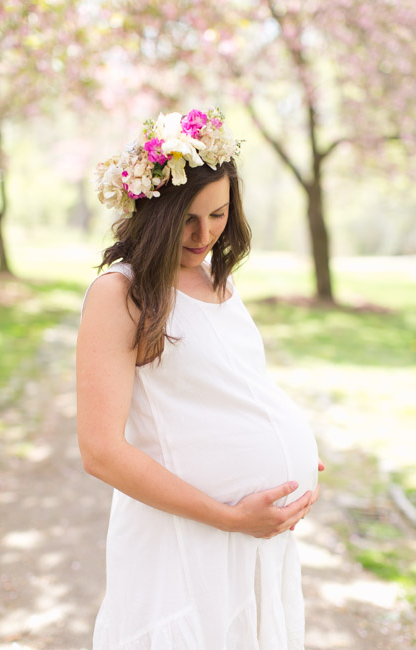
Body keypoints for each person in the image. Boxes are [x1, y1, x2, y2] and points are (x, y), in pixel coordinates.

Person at [76, 107, 323, 650]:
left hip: (253, 543)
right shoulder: (120, 294)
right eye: (188, 216)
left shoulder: (219, 282)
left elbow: (229, 386)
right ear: (154, 210)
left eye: (219, 214)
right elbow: (99, 450)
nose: (204, 232)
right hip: (187, 538)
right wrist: (231, 518)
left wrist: (289, 443)